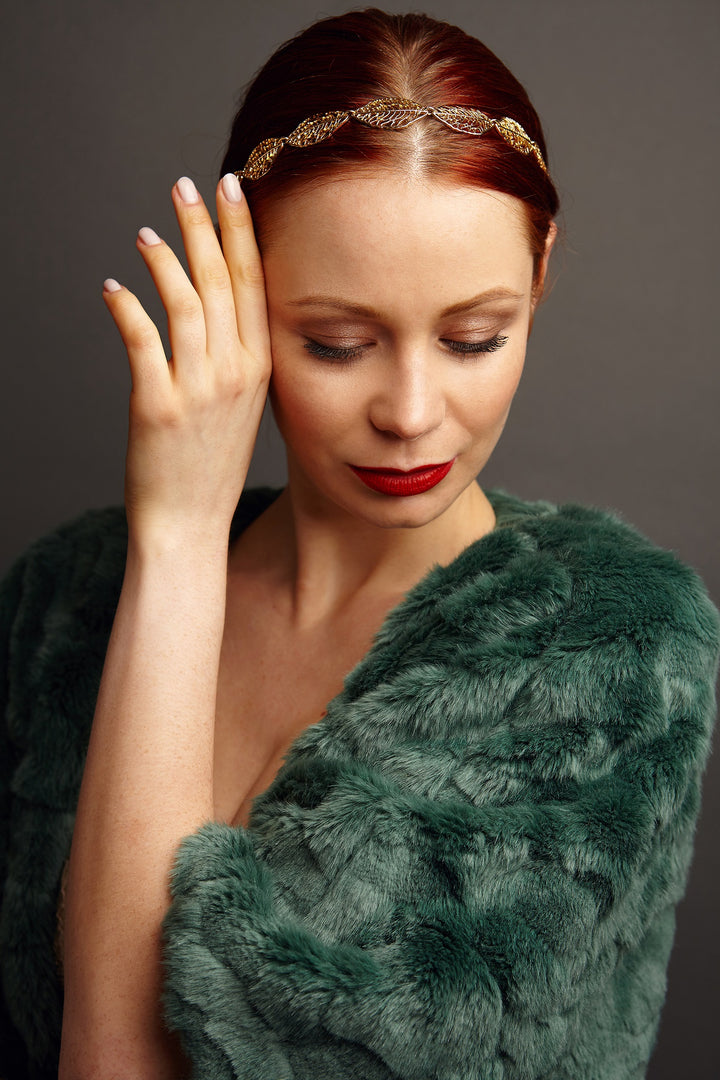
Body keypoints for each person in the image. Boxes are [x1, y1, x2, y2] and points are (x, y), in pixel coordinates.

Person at [1, 7, 718, 1079]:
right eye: (336, 343)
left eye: (477, 336)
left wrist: (184, 533)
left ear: (542, 271)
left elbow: (114, 1059)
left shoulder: (611, 649)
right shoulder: (62, 598)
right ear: (235, 296)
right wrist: (175, 550)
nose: (412, 412)